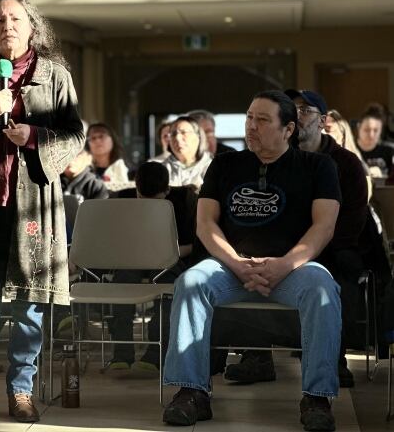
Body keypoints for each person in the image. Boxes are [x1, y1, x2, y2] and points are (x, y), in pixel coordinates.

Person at [161, 90, 342, 432]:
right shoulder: (226, 164)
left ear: (288, 129)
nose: (251, 126)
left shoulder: (318, 166)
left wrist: (284, 264)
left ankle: (317, 397)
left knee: (323, 288)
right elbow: (205, 224)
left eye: (262, 120)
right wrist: (236, 263)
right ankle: (191, 392)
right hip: (231, 267)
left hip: (293, 269)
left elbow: (324, 226)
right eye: (249, 117)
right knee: (190, 282)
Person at [0, 0, 84, 422]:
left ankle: (21, 391)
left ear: (31, 26)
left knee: (29, 307)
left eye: (15, 19)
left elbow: (75, 138)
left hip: (34, 206)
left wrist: (37, 137)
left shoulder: (56, 76)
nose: (7, 26)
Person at [219, 90, 368, 389]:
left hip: (332, 245)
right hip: (279, 249)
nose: (297, 115)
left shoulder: (343, 163)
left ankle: (331, 360)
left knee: (333, 268)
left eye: (305, 110)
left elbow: (349, 223)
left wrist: (303, 253)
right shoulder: (267, 161)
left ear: (323, 121)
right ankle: (257, 355)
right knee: (257, 260)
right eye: (292, 109)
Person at [108, 161, 201, 371]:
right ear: (136, 190)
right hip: (131, 258)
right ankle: (121, 353)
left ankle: (156, 353)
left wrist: (165, 253)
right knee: (122, 284)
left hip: (169, 258)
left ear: (168, 191)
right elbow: (112, 242)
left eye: (156, 201)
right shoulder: (122, 200)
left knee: (168, 288)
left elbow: (194, 245)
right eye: (142, 199)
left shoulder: (185, 201)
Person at [157, 116, 213, 188]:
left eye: (183, 132)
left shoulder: (213, 167)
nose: (177, 138)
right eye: (173, 134)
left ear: (198, 136)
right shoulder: (161, 171)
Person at [356, 108, 394, 178]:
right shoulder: (349, 150)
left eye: (376, 130)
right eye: (367, 130)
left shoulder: (390, 152)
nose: (371, 135)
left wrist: (382, 176)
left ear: (381, 130)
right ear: (359, 127)